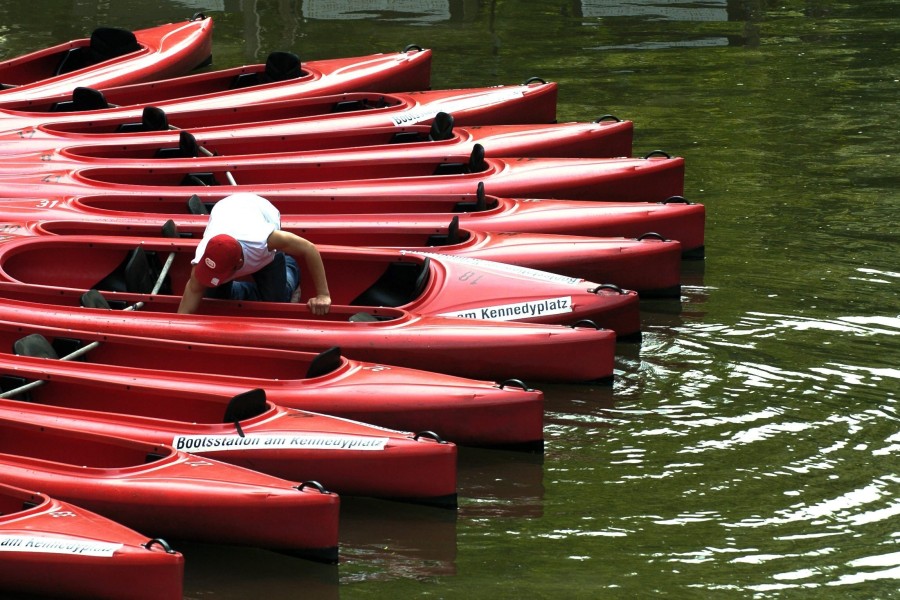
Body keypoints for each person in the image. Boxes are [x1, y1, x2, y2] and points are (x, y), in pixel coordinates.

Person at [177, 192, 331, 315]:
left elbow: (308, 248)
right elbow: (190, 298)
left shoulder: (264, 241)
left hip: (261, 210)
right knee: (215, 298)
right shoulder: (203, 258)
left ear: (238, 265)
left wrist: (323, 294)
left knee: (276, 301)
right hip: (226, 208)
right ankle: (248, 291)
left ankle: (290, 268)